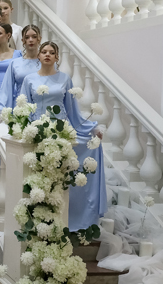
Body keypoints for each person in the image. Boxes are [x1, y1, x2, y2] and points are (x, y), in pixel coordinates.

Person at [20, 41, 106, 232]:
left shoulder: (65, 79)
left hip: (60, 130)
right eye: (44, 52)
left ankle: (75, 219)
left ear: (57, 57)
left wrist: (90, 128)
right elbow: (25, 107)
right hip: (38, 130)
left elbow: (72, 110)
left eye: (52, 52)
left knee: (68, 170)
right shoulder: (29, 79)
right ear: (39, 56)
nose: (47, 55)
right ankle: (40, 221)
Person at [0, 24, 42, 111]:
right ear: (23, 40)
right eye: (27, 37)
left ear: (39, 39)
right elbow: (6, 89)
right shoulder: (15, 63)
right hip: (21, 109)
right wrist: (0, 109)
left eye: (34, 37)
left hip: (42, 107)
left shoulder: (47, 63)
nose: (31, 40)